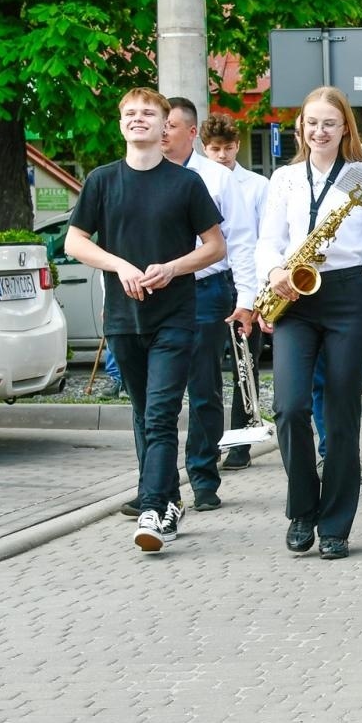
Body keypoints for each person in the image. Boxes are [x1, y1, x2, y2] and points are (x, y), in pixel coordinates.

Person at [65, 88, 224, 552]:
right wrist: (120, 265)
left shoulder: (185, 183)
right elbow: (76, 242)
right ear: (121, 124)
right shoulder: (101, 181)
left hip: (175, 315)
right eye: (130, 114)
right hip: (122, 316)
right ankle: (169, 500)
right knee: (142, 413)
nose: (139, 120)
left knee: (160, 413)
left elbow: (215, 246)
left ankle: (153, 508)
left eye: (148, 114)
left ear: (163, 127)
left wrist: (173, 267)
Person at [256, 86, 362, 560]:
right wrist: (275, 272)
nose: (319, 130)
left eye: (329, 122)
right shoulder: (283, 179)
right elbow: (266, 242)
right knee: (289, 407)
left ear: (345, 128)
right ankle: (303, 509)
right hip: (294, 297)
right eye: (311, 122)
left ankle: (337, 524)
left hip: (345, 294)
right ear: (300, 126)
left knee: (341, 416)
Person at [152, 97, 257, 515]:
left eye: (170, 126)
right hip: (154, 290)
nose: (161, 133)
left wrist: (246, 298)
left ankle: (202, 477)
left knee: (203, 387)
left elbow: (243, 240)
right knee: (155, 393)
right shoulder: (142, 173)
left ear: (191, 132)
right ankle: (156, 487)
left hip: (205, 288)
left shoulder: (216, 178)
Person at [202, 114, 270, 471]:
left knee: (245, 366)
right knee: (208, 366)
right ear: (204, 148)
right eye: (215, 149)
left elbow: (261, 238)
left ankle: (242, 443)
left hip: (248, 280)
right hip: (213, 279)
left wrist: (257, 294)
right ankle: (211, 444)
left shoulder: (257, 185)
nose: (223, 155)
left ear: (237, 146)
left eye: (228, 148)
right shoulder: (199, 180)